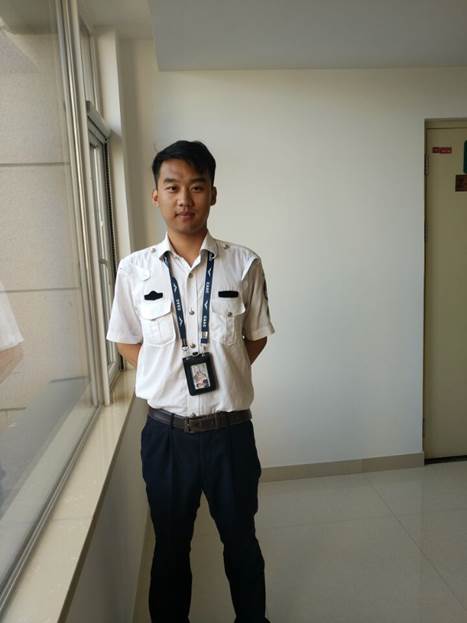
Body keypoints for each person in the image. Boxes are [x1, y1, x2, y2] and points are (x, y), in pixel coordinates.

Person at [106, 140, 274, 623]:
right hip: (167, 436)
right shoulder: (134, 270)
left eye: (197, 187)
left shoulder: (244, 263)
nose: (185, 199)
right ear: (156, 195)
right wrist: (165, 376)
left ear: (213, 194)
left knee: (241, 542)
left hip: (230, 434)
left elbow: (255, 337)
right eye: (172, 187)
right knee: (170, 548)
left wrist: (225, 371)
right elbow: (125, 340)